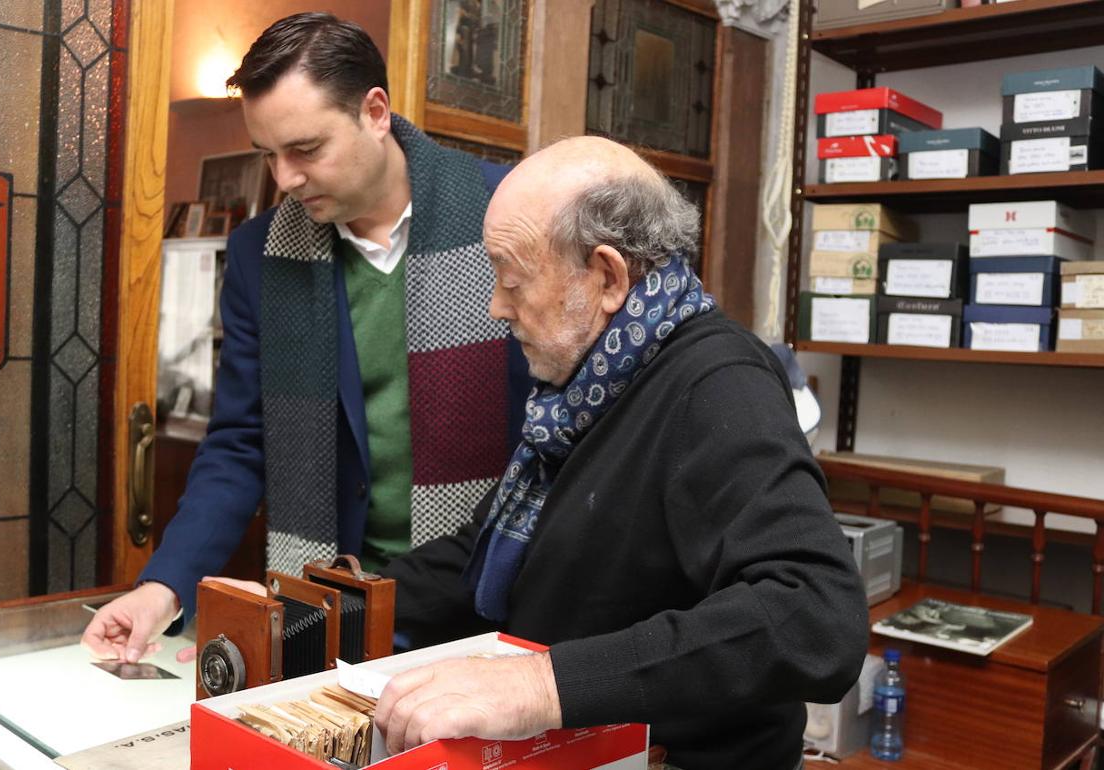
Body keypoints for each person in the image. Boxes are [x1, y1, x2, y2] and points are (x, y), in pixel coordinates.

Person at [373, 136, 870, 769]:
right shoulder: (585, 385)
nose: (498, 307)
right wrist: (337, 600)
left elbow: (815, 615)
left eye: (512, 280)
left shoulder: (717, 384)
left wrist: (543, 685)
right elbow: (492, 553)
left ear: (607, 276)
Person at [82, 12, 529, 665]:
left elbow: (564, 434)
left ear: (375, 112)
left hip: (494, 606)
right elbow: (239, 443)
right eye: (269, 155)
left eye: (305, 149)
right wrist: (162, 587)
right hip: (333, 616)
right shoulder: (261, 255)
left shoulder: (510, 212)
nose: (284, 179)